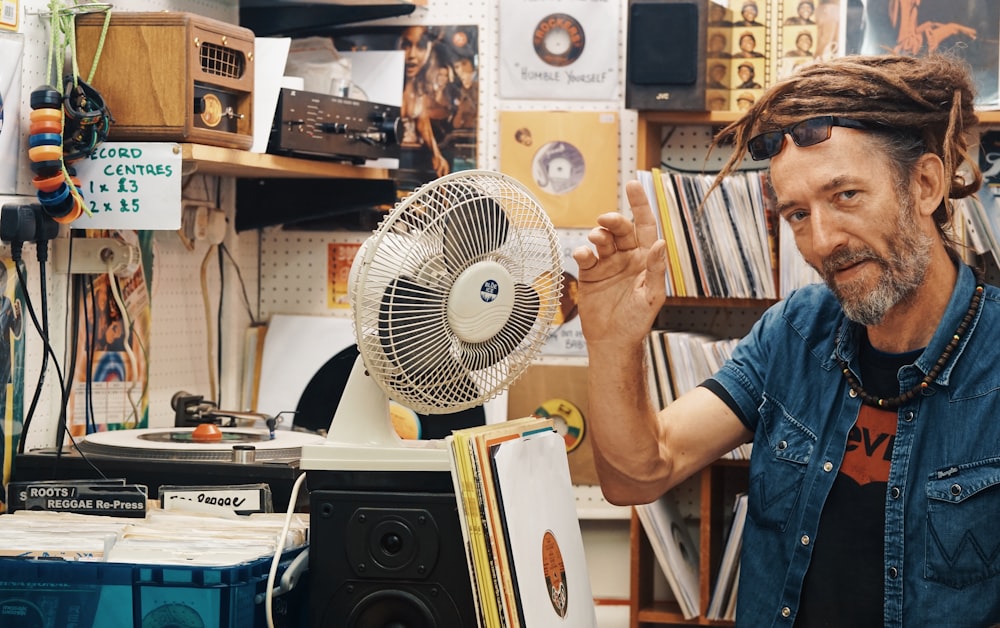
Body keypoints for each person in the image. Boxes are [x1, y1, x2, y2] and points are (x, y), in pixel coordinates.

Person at [572, 53, 1000, 627]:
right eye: (797, 214)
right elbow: (637, 473)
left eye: (846, 195)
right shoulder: (794, 333)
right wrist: (613, 339)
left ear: (925, 184)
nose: (822, 242)